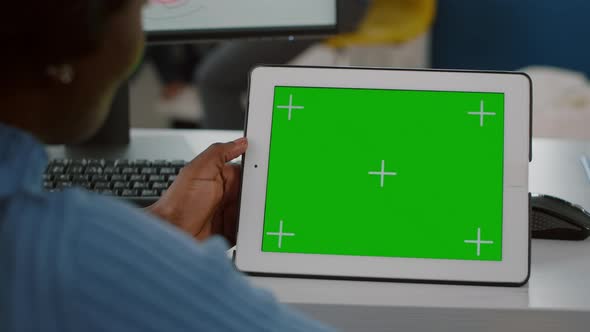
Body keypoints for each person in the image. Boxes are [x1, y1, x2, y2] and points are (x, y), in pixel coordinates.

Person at [0, 1, 332, 331]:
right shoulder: (66, 251)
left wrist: (167, 222)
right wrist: (141, 254)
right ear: (72, 38)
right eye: (137, 9)